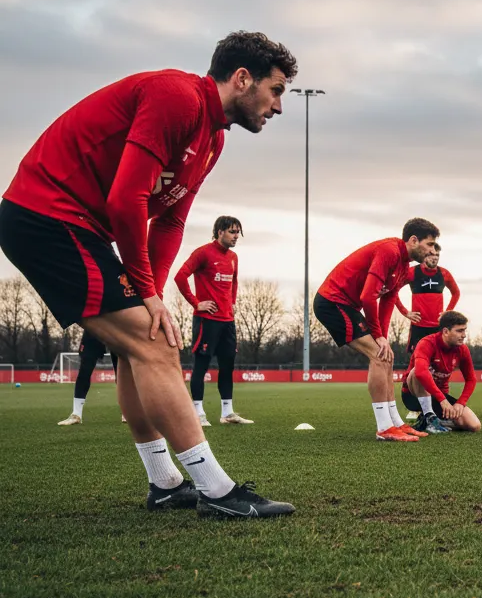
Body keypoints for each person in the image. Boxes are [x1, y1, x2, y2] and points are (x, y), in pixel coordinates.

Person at [0, 31, 297, 517]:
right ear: (243, 79)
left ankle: (165, 483)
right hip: (47, 214)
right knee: (153, 342)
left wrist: (150, 294)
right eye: (277, 89)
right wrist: (147, 297)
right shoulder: (176, 98)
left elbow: (171, 219)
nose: (279, 106)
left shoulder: (213, 137)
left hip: (74, 224)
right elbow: (127, 200)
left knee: (140, 341)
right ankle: (217, 492)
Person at [315, 218, 440, 441]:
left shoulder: (403, 266)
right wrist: (378, 336)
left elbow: (388, 301)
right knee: (378, 356)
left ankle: (396, 423)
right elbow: (367, 297)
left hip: (348, 305)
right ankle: (384, 428)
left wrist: (383, 336)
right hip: (332, 302)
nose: (432, 249)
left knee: (386, 356)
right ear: (413, 240)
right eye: (430, 244)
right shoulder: (389, 251)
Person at [174, 215, 250, 426]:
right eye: (233, 232)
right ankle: (197, 414)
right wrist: (196, 303)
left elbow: (234, 282)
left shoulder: (233, 257)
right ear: (220, 232)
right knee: (201, 366)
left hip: (228, 321)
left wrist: (231, 303)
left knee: (227, 366)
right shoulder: (203, 253)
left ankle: (227, 413)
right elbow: (180, 277)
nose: (236, 236)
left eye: (238, 232)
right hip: (207, 320)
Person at [395, 242, 460, 419]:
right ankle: (415, 407)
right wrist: (405, 312)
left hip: (437, 329)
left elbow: (456, 293)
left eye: (437, 256)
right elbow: (393, 290)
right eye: (431, 255)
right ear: (424, 255)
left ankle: (439, 405)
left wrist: (448, 312)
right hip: (418, 328)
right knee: (415, 367)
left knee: (439, 366)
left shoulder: (444, 273)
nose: (434, 258)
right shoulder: (411, 272)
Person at [408, 310, 482, 434]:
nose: (464, 335)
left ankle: (435, 420)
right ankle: (428, 416)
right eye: (459, 331)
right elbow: (420, 373)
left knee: (474, 425)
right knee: (416, 371)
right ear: (446, 331)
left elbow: (471, 379)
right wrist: (443, 400)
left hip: (439, 397)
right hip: (413, 395)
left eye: (464, 330)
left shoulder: (462, 349)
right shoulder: (427, 343)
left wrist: (460, 403)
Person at [57, 333, 120, 425]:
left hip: (117, 328)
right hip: (94, 328)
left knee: (121, 372)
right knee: (84, 370)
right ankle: (76, 414)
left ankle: (128, 412)